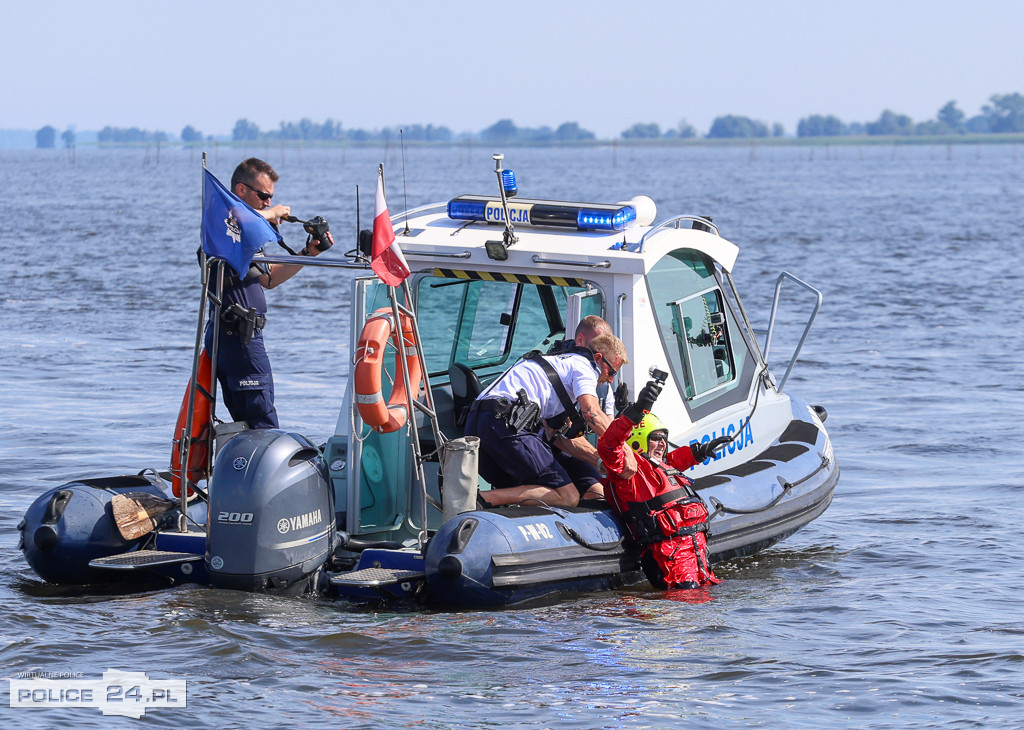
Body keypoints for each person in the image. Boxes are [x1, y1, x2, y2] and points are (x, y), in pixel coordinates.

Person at [204, 157, 333, 429]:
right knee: (262, 418)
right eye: (263, 196)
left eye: (270, 198)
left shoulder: (240, 235)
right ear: (241, 190)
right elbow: (239, 219)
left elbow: (268, 279)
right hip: (236, 337)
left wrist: (307, 254)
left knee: (252, 418)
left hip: (245, 338)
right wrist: (272, 213)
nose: (267, 202)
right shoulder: (225, 225)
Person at [467, 334, 634, 508]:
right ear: (598, 358)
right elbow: (591, 413)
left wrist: (600, 462)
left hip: (477, 422)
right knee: (568, 496)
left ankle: (481, 501)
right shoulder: (585, 366)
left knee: (540, 488)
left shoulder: (560, 365)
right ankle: (479, 500)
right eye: (612, 372)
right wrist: (625, 450)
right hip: (506, 424)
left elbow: (559, 438)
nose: (611, 379)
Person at [597, 377, 731, 590]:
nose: (662, 443)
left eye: (664, 439)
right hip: (673, 569)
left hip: (699, 563)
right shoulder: (630, 473)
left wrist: (699, 452)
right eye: (656, 437)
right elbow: (609, 446)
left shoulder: (661, 467)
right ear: (639, 439)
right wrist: (636, 411)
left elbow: (672, 461)